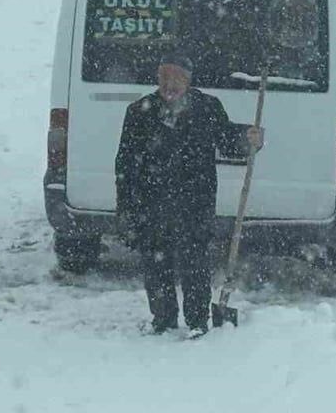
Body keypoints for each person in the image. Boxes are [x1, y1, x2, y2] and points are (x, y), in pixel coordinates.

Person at [114, 51, 265, 337]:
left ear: (188, 80)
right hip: (152, 204)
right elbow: (125, 165)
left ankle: (198, 322)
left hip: (194, 203)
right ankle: (163, 321)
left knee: (195, 267)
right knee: (156, 267)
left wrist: (249, 138)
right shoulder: (139, 112)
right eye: (164, 77)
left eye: (177, 78)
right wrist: (126, 210)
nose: (170, 85)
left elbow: (228, 140)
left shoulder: (207, 107)